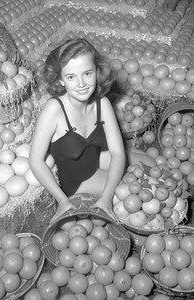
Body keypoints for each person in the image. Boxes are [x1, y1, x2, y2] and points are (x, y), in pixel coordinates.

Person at [29, 38, 151, 222]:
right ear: (60, 79)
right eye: (71, 77)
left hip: (96, 158)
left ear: (97, 71)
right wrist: (62, 199)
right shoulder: (53, 110)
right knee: (137, 192)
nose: (81, 83)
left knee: (151, 165)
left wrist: (106, 196)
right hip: (77, 179)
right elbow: (35, 161)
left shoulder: (102, 103)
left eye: (87, 73)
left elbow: (118, 153)